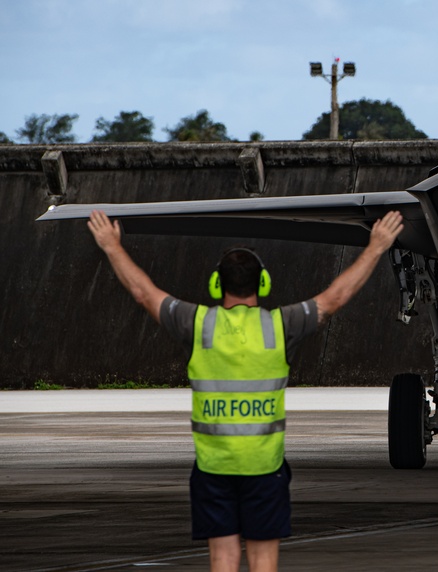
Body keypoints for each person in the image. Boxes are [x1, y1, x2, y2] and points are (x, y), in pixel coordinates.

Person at [87, 208, 404, 572]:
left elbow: (144, 294)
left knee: (222, 559)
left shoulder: (198, 324)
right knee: (263, 561)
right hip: (264, 467)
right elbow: (335, 297)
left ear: (216, 285)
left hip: (213, 467)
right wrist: (377, 246)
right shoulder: (280, 326)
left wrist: (111, 246)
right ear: (263, 284)